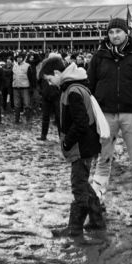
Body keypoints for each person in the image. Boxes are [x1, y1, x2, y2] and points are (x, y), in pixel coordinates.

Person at [88, 17, 132, 221]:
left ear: (127, 33)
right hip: (105, 114)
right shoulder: (99, 56)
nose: (114, 35)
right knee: (103, 159)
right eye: (111, 32)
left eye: (118, 31)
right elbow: (90, 86)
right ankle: (98, 200)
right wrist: (92, 114)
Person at [51, 62, 104, 236]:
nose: (50, 83)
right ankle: (97, 221)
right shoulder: (77, 87)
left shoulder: (72, 91)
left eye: (49, 78)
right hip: (87, 144)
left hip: (81, 146)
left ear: (58, 73)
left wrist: (67, 142)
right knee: (83, 184)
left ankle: (75, 227)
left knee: (78, 186)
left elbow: (81, 122)